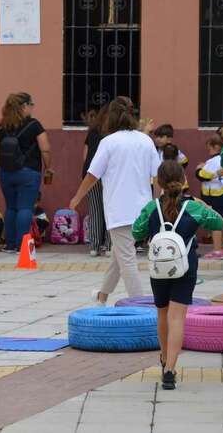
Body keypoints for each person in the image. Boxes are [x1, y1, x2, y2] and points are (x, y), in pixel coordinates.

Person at [133, 161, 223, 390]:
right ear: (184, 180)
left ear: (158, 182)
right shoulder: (194, 207)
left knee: (162, 314)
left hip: (158, 268)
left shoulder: (151, 207)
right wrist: (205, 205)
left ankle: (164, 358)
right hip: (185, 266)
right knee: (177, 317)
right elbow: (220, 224)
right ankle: (170, 370)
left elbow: (136, 231)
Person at [69, 96, 161, 305]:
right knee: (118, 256)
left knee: (126, 258)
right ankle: (102, 295)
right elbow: (157, 177)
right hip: (143, 209)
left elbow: (93, 175)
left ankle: (139, 305)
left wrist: (77, 197)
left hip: (119, 210)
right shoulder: (146, 140)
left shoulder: (108, 142)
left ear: (110, 117)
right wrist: (156, 203)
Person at [0, 92, 52, 252]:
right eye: (31, 105)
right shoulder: (34, 125)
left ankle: (10, 244)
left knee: (11, 207)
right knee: (25, 208)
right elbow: (45, 149)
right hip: (28, 172)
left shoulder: (1, 127)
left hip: (5, 172)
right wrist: (48, 167)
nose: (32, 108)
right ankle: (23, 245)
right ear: (24, 106)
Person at [195, 135, 223, 260]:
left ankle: (217, 250)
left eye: (209, 147)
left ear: (216, 146)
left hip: (216, 195)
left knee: (215, 222)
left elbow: (204, 175)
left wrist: (199, 169)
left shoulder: (214, 161)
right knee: (222, 222)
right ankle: (221, 249)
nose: (208, 150)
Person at [83, 104, 111, 257]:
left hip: (91, 175)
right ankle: (109, 246)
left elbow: (85, 155)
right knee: (110, 210)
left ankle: (94, 246)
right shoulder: (114, 133)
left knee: (94, 211)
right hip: (109, 177)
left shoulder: (93, 131)